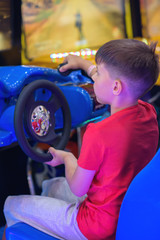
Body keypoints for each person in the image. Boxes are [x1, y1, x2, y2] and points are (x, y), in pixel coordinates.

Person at [3, 39, 160, 240]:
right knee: (53, 186)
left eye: (99, 75)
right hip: (126, 211)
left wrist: (67, 158)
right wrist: (83, 64)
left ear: (115, 87)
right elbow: (111, 81)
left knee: (12, 204)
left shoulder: (99, 132)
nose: (94, 81)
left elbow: (78, 189)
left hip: (94, 224)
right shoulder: (148, 114)